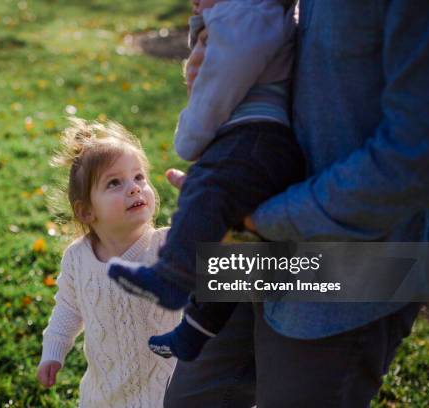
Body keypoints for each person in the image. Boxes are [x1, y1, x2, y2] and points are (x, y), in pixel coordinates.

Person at [165, 0, 429, 407]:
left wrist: (266, 218)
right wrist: (209, 35)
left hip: (353, 267)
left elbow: (421, 158)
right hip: (248, 237)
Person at [108, 0, 305, 362]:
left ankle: (172, 275)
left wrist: (190, 137)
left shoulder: (246, 10)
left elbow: (219, 82)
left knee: (206, 191)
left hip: (254, 135)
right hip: (261, 139)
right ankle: (197, 330)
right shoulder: (246, 12)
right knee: (235, 246)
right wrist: (203, 16)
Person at [36, 118, 180, 407]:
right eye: (114, 182)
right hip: (105, 395)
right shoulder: (78, 259)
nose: (134, 188)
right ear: (87, 211)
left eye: (139, 177)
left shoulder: (168, 246)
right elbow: (67, 308)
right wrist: (53, 351)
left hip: (167, 393)